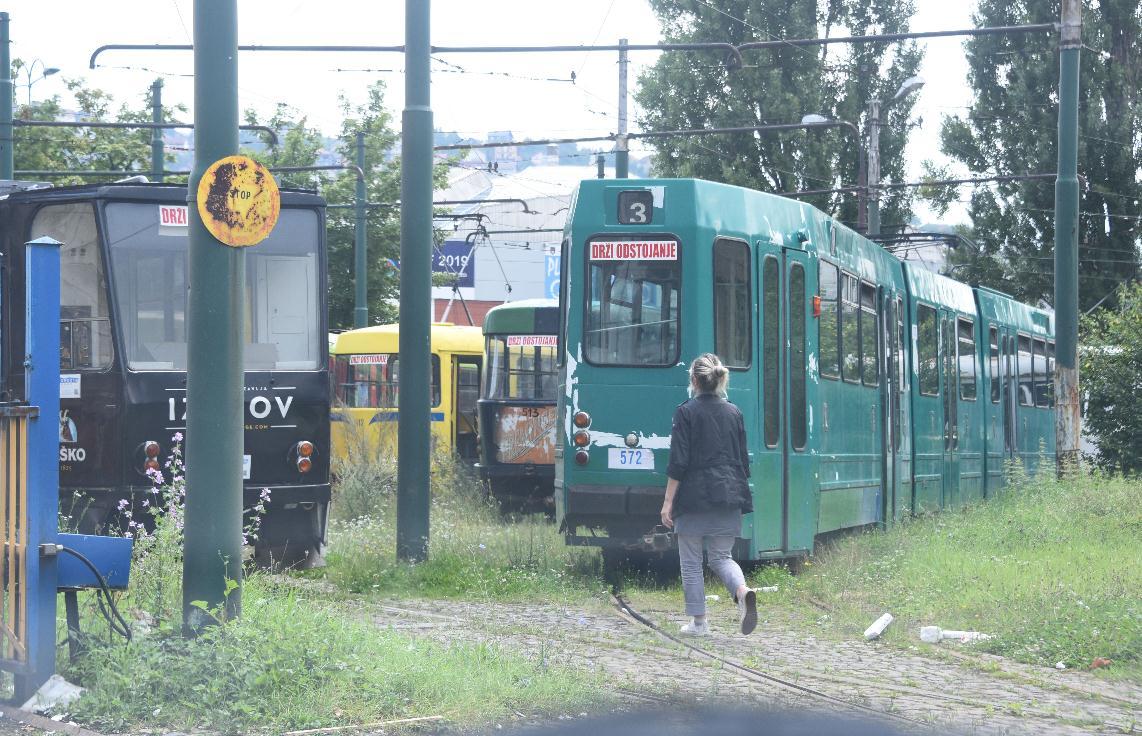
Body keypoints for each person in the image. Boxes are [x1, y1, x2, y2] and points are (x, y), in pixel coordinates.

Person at [660, 353, 756, 636]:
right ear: (719, 379)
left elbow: (678, 461)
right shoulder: (734, 412)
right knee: (721, 557)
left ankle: (699, 623)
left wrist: (667, 503)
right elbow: (742, 461)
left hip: (693, 497)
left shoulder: (685, 412)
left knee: (691, 562)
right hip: (729, 492)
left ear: (694, 380)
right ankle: (742, 591)